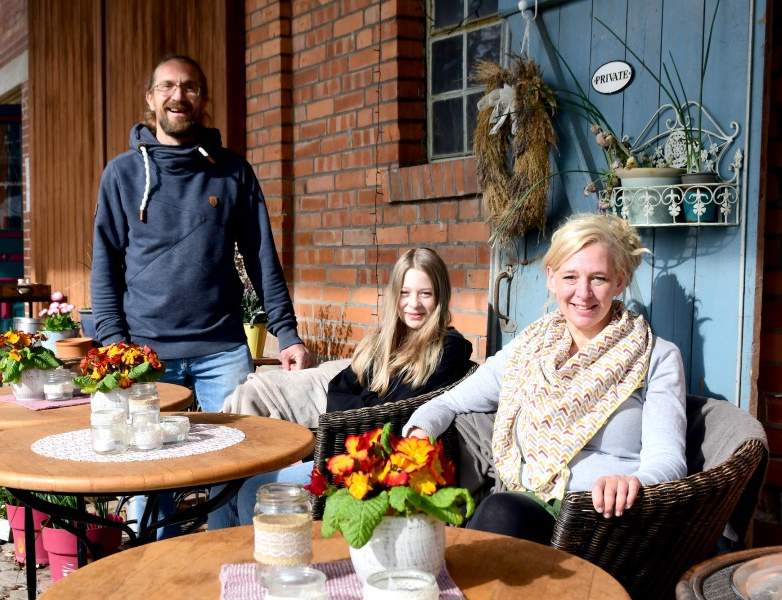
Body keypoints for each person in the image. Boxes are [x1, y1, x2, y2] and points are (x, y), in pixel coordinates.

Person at [91, 54, 309, 537]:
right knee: (150, 478)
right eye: (167, 86)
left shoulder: (232, 173)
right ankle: (155, 568)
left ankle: (224, 567)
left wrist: (287, 335)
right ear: (150, 99)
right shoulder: (122, 175)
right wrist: (114, 345)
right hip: (146, 354)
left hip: (222, 350)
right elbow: (105, 267)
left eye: (189, 87)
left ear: (203, 99)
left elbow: (261, 259)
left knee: (232, 469)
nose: (178, 96)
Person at [404, 214, 687, 545]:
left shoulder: (656, 356)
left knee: (496, 517)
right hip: (531, 504)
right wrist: (419, 432)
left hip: (604, 519)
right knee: (494, 516)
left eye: (598, 278)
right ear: (551, 278)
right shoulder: (529, 348)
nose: (583, 293)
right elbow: (450, 400)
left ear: (619, 281)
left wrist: (634, 481)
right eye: (570, 277)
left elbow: (669, 460)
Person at [209, 247, 475, 529]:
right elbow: (339, 387)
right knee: (228, 480)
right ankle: (223, 562)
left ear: (440, 296)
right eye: (405, 293)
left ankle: (268, 563)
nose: (414, 304)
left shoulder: (447, 347)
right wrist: (360, 405)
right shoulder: (384, 341)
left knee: (255, 489)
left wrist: (358, 405)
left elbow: (389, 409)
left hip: (376, 465)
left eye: (425, 293)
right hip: (342, 449)